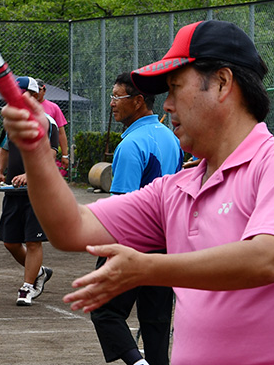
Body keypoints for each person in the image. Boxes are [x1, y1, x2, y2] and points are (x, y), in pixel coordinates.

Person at [0, 20, 274, 365]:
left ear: (223, 83)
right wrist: (36, 150)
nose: (166, 105)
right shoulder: (176, 189)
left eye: (176, 87)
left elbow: (265, 259)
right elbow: (70, 228)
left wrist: (147, 268)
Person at [90, 73, 183, 365]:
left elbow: (123, 207)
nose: (112, 103)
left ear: (139, 101)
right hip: (165, 240)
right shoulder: (171, 137)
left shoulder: (131, 145)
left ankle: (136, 363)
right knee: (155, 320)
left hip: (134, 242)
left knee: (103, 308)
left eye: (117, 96)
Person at [0, 76, 55, 307]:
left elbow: (50, 154)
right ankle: (39, 272)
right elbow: (4, 149)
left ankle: (27, 287)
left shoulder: (45, 121)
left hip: (37, 192)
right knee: (10, 242)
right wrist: (1, 172)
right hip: (13, 190)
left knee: (32, 241)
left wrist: (30, 175)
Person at [37, 79, 70, 174]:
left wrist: (64, 155)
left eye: (39, 90)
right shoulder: (25, 106)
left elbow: (61, 132)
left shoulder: (53, 108)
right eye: (33, 90)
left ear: (44, 91)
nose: (36, 93)